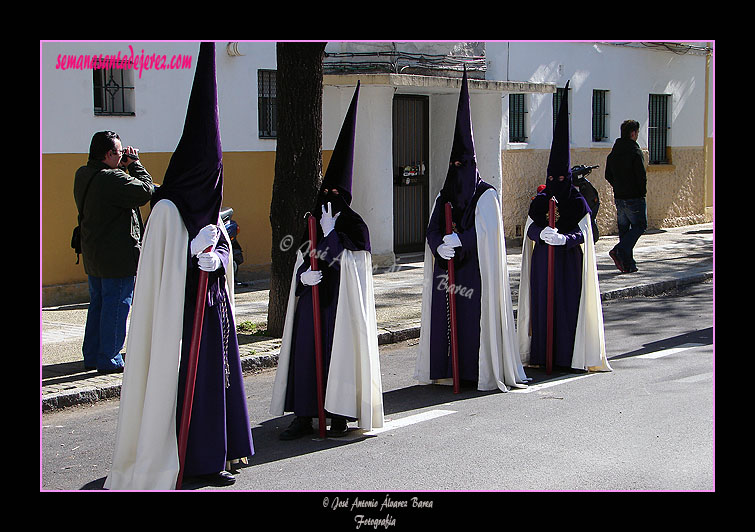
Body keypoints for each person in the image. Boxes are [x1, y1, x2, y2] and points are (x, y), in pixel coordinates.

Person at [105, 43, 253, 490]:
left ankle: (217, 451)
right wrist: (190, 256)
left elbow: (226, 256)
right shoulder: (168, 209)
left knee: (214, 380)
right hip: (181, 322)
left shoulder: (205, 211)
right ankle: (186, 455)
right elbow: (159, 272)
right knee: (186, 382)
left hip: (212, 313)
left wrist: (219, 254)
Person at [270, 81, 384, 440]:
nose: (330, 198)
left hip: (341, 307)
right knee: (307, 355)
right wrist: (303, 278)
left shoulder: (354, 225)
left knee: (340, 355)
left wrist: (332, 234)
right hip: (312, 303)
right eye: (326, 192)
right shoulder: (311, 219)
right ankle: (305, 414)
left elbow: (352, 264)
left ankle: (338, 413)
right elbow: (302, 256)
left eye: (337, 194)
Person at [415, 68, 529, 392]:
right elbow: (432, 228)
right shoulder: (444, 194)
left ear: (473, 165)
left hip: (474, 274)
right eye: (453, 166)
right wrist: (439, 244)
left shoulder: (486, 195)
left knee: (471, 324)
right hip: (446, 273)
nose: (457, 171)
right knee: (446, 324)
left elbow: (487, 237)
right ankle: (447, 369)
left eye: (462, 165)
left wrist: (460, 240)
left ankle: (474, 371)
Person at [517, 80, 611, 372]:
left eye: (562, 178)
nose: (557, 184)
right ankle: (541, 355)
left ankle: (566, 357)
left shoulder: (577, 200)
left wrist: (566, 239)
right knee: (543, 307)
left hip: (569, 263)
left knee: (566, 307)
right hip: (543, 260)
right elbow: (530, 228)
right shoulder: (541, 199)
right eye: (553, 178)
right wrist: (540, 233)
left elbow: (586, 232)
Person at [73, 131, 153, 374]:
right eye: (119, 153)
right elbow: (145, 191)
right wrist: (136, 165)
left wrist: (124, 166)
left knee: (98, 304)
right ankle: (109, 358)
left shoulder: (83, 174)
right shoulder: (113, 179)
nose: (123, 157)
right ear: (108, 154)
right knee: (117, 305)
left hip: (93, 252)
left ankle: (93, 355)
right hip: (117, 256)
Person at [605, 119, 647, 273]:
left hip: (619, 196)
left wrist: (617, 186)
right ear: (633, 133)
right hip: (634, 196)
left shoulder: (614, 152)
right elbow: (641, 176)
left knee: (624, 230)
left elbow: (607, 174)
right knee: (640, 226)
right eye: (636, 132)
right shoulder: (635, 151)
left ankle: (628, 264)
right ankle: (619, 250)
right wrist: (641, 192)